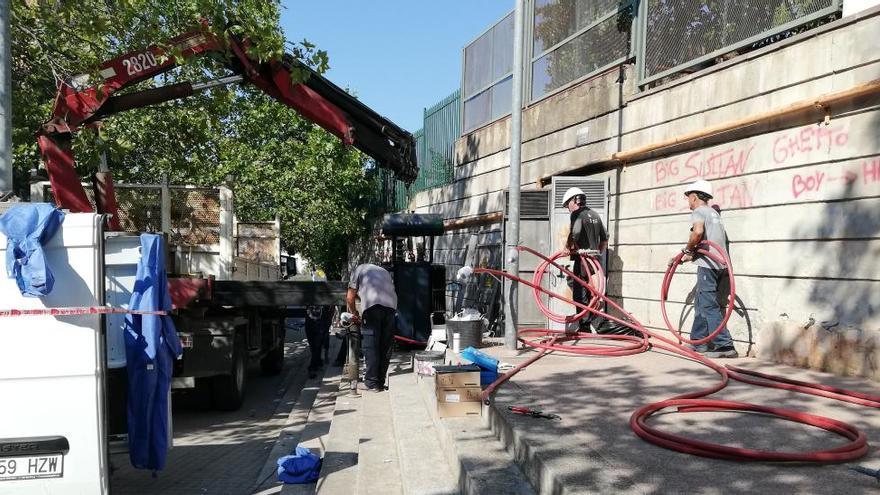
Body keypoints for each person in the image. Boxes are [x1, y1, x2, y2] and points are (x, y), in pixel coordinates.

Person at [670, 179, 738, 358]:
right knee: (701, 303)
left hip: (708, 266)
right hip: (718, 264)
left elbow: (698, 233)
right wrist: (685, 257)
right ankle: (699, 341)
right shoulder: (713, 214)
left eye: (688, 198)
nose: (688, 202)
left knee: (708, 305)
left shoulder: (699, 211)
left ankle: (725, 346)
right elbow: (710, 244)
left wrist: (686, 249)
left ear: (693, 197)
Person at [561, 186, 608, 332]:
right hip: (594, 262)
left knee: (579, 293)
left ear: (574, 200)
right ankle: (593, 321)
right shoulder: (595, 214)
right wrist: (596, 253)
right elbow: (605, 239)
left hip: (582, 262)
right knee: (591, 292)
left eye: (567, 204)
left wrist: (568, 247)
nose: (568, 208)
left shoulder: (577, 214)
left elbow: (575, 233)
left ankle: (585, 326)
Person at [347, 263, 398, 392]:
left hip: (372, 307)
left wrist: (354, 314)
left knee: (371, 345)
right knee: (385, 346)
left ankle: (370, 383)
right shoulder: (383, 271)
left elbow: (350, 297)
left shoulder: (358, 270)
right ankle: (380, 382)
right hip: (391, 307)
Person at [304, 305, 332, 379]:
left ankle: (315, 364)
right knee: (316, 344)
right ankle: (314, 365)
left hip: (319, 320)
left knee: (317, 344)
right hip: (315, 320)